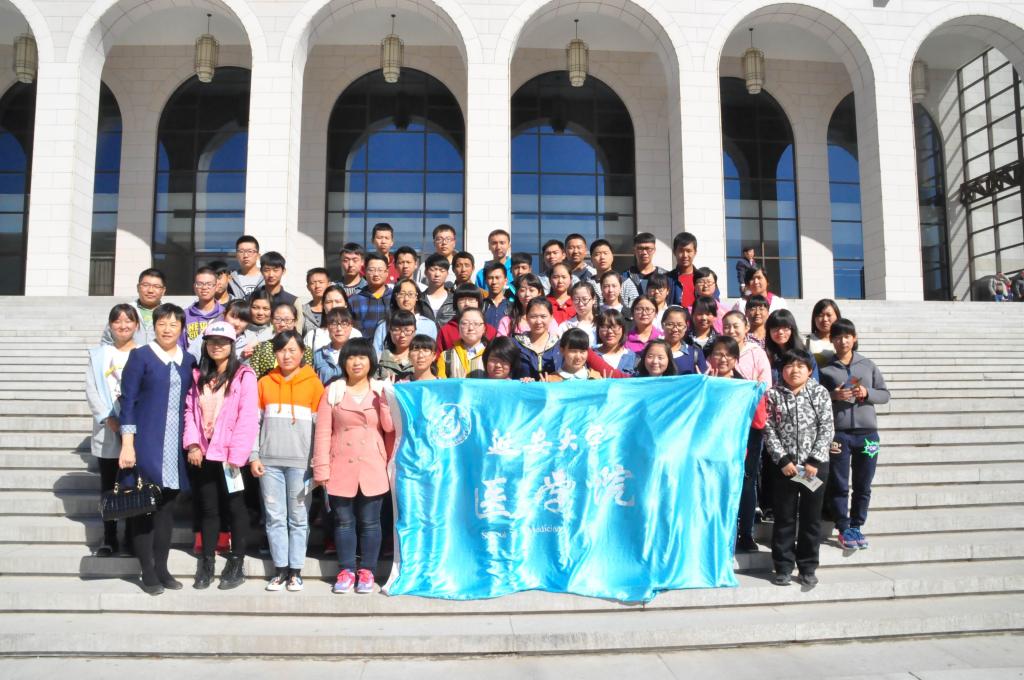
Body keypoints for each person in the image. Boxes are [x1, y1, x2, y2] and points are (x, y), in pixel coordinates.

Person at [117, 303, 197, 594]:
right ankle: (148, 572)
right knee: (144, 508)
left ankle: (162, 568)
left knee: (166, 511)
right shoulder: (141, 356)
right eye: (162, 323)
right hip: (146, 444)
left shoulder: (188, 360)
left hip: (175, 448)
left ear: (182, 329)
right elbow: (127, 402)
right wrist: (128, 444)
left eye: (174, 324)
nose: (167, 329)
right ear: (154, 326)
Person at [313, 338, 394, 595]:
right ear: (343, 361)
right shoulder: (333, 391)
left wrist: (386, 401)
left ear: (371, 360)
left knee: (371, 522)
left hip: (372, 464)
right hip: (340, 464)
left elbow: (389, 427)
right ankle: (346, 570)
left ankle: (367, 570)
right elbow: (323, 432)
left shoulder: (380, 390)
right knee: (343, 522)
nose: (356, 362)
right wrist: (321, 469)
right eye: (350, 357)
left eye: (362, 357)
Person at [182, 321, 258, 590]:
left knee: (236, 508)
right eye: (212, 341)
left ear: (232, 345)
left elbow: (248, 417)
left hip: (230, 456)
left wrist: (237, 455)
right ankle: (207, 562)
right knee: (208, 509)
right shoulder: (198, 375)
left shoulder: (244, 375)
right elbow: (190, 412)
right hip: (204, 454)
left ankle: (236, 562)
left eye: (223, 342)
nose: (217, 346)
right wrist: (193, 444)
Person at [252, 330, 325, 592]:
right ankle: (280, 569)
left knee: (298, 517)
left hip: (301, 464)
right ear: (275, 353)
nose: (287, 355)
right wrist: (254, 455)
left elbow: (321, 427)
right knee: (274, 517)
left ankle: (296, 570)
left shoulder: (314, 384)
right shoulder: (264, 383)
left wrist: (318, 460)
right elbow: (254, 423)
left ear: (302, 353)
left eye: (292, 350)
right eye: (282, 350)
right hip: (269, 463)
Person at [763, 348, 834, 587]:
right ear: (782, 370)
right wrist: (783, 460)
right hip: (785, 468)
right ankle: (783, 567)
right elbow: (768, 428)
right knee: (784, 518)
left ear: (810, 370)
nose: (795, 370)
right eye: (789, 366)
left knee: (811, 519)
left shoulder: (819, 392)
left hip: (814, 468)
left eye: (800, 366)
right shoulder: (773, 394)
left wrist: (814, 461)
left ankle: (807, 567)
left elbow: (827, 427)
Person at [819, 318, 890, 551]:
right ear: (832, 340)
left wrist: (867, 392)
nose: (843, 341)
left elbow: (885, 395)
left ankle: (857, 525)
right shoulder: (825, 369)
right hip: (839, 434)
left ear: (854, 338)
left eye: (847, 336)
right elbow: (817, 397)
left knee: (863, 483)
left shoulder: (868, 365)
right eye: (838, 337)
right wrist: (833, 396)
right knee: (839, 483)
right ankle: (843, 526)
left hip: (868, 435)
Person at [704, 335, 768, 554]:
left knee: (746, 488)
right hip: (711, 449)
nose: (723, 359)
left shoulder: (747, 386)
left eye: (729, 355)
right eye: (718, 354)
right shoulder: (703, 384)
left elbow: (759, 422)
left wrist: (756, 395)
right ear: (710, 357)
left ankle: (745, 534)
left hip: (742, 449)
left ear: (736, 359)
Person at [86, 304, 140, 556]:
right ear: (110, 325)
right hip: (108, 430)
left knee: (133, 485)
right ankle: (109, 538)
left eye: (128, 320)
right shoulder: (99, 355)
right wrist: (108, 418)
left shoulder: (144, 353)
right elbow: (92, 390)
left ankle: (131, 536)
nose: (123, 325)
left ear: (137, 325)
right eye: (117, 321)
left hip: (137, 430)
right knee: (109, 486)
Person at [371, 278, 439, 354]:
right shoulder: (384, 326)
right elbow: (377, 354)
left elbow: (432, 353)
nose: (406, 299)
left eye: (410, 294)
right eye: (402, 294)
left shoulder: (429, 326)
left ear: (417, 297)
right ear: (395, 297)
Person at [101, 268, 165, 346]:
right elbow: (107, 341)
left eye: (156, 286)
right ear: (138, 287)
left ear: (163, 290)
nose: (150, 290)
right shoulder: (124, 311)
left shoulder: (170, 313)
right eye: (145, 285)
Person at [250, 303, 313, 378]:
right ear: (271, 321)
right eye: (277, 319)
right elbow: (254, 377)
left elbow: (306, 376)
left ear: (295, 322)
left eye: (287, 320)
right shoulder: (261, 347)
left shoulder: (305, 350)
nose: (282, 324)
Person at [435, 283, 496, 351]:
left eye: (471, 299)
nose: (467, 303)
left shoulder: (490, 331)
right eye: (462, 300)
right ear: (456, 303)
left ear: (479, 302)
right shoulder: (446, 331)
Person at [765, 310, 819, 385]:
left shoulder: (805, 354)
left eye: (785, 327)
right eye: (775, 328)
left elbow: (814, 382)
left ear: (792, 329)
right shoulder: (764, 356)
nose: (780, 332)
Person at [188, 299, 250, 363]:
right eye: (233, 317)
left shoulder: (246, 345)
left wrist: (243, 358)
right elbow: (191, 358)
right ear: (224, 314)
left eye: (243, 320)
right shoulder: (208, 334)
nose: (237, 324)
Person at [513, 298, 560, 379]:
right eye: (533, 317)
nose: (538, 321)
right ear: (527, 318)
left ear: (551, 317)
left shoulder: (559, 345)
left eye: (543, 316)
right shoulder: (515, 344)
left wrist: (556, 377)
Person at [349, 253, 393, 338]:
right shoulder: (354, 301)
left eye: (380, 270)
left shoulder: (394, 298)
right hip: (362, 345)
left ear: (387, 272)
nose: (376, 274)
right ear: (365, 272)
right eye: (371, 270)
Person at [436, 307, 490, 378]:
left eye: (476, 323)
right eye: (465, 323)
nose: (471, 328)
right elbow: (441, 383)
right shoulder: (446, 356)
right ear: (458, 327)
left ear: (484, 328)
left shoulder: (491, 355)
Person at [305, 285, 357, 354]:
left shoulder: (355, 334)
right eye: (329, 302)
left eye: (338, 301)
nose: (333, 306)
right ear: (323, 305)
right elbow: (306, 359)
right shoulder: (311, 336)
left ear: (346, 305)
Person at [182, 266, 224, 349]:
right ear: (194, 287)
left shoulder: (224, 314)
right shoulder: (184, 315)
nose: (204, 288)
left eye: (209, 284)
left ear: (216, 287)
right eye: (200, 284)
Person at [313, 307, 356, 386]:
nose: (339, 329)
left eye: (344, 324)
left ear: (351, 327)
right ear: (328, 327)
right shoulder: (318, 355)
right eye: (334, 324)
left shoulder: (358, 353)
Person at [590, 239, 638, 306]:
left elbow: (636, 307)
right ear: (591, 259)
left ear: (612, 256)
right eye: (597, 254)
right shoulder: (587, 285)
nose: (602, 257)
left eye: (605, 253)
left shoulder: (626, 283)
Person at [661, 306, 706, 375]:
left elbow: (703, 378)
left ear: (686, 327)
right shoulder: (652, 350)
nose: (675, 329)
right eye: (670, 324)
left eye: (680, 325)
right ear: (662, 325)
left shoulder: (695, 353)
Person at [375, 310, 417, 381]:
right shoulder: (379, 358)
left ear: (414, 332)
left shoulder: (420, 357)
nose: (402, 335)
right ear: (390, 332)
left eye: (407, 330)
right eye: (397, 330)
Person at [595, 309, 637, 375]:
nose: (610, 331)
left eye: (614, 327)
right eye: (605, 327)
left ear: (622, 329)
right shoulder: (591, 356)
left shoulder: (633, 358)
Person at [559, 281, 599, 346]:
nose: (580, 304)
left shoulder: (601, 323)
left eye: (585, 299)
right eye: (576, 299)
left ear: (593, 299)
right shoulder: (566, 326)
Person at [806, 299, 841, 369]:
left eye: (829, 315)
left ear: (837, 316)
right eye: (820, 315)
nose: (825, 319)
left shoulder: (843, 340)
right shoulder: (805, 342)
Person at [667, 232, 699, 307]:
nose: (685, 255)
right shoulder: (666, 279)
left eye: (689, 251)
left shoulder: (704, 279)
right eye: (681, 251)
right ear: (674, 252)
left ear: (695, 252)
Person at [422, 253, 455, 324]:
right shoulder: (419, 300)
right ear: (425, 272)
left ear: (447, 274)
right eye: (433, 270)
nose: (437, 274)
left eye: (442, 270)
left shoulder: (454, 300)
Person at [693, 267, 729, 331]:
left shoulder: (725, 310)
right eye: (701, 282)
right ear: (695, 286)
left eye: (709, 282)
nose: (705, 285)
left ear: (715, 285)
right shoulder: (689, 311)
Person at [242, 289, 275, 360]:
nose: (260, 313)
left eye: (265, 309)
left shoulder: (276, 333)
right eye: (255, 308)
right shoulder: (240, 331)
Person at [481, 261, 512, 329]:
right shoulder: (480, 306)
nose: (494, 282)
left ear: (505, 280)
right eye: (490, 278)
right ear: (485, 281)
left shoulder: (512, 307)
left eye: (497, 278)